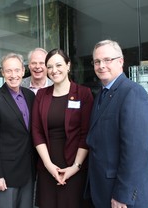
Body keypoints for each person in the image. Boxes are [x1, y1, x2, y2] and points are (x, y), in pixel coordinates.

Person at [86, 39, 148, 208]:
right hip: (104, 190)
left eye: (107, 60)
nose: (101, 65)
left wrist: (123, 195)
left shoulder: (132, 93)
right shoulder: (102, 94)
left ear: (120, 61)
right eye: (97, 61)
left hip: (123, 198)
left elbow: (137, 150)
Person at [32, 49, 94, 208]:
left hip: (74, 167)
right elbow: (37, 131)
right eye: (50, 66)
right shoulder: (41, 95)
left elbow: (85, 133)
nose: (54, 70)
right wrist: (48, 165)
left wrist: (75, 167)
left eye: (58, 65)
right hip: (48, 167)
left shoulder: (83, 93)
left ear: (68, 66)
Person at [0, 53, 36, 208]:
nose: (13, 75)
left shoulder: (30, 95)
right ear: (3, 73)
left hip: (28, 170)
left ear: (23, 71)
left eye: (17, 70)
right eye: (8, 71)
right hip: (6, 174)